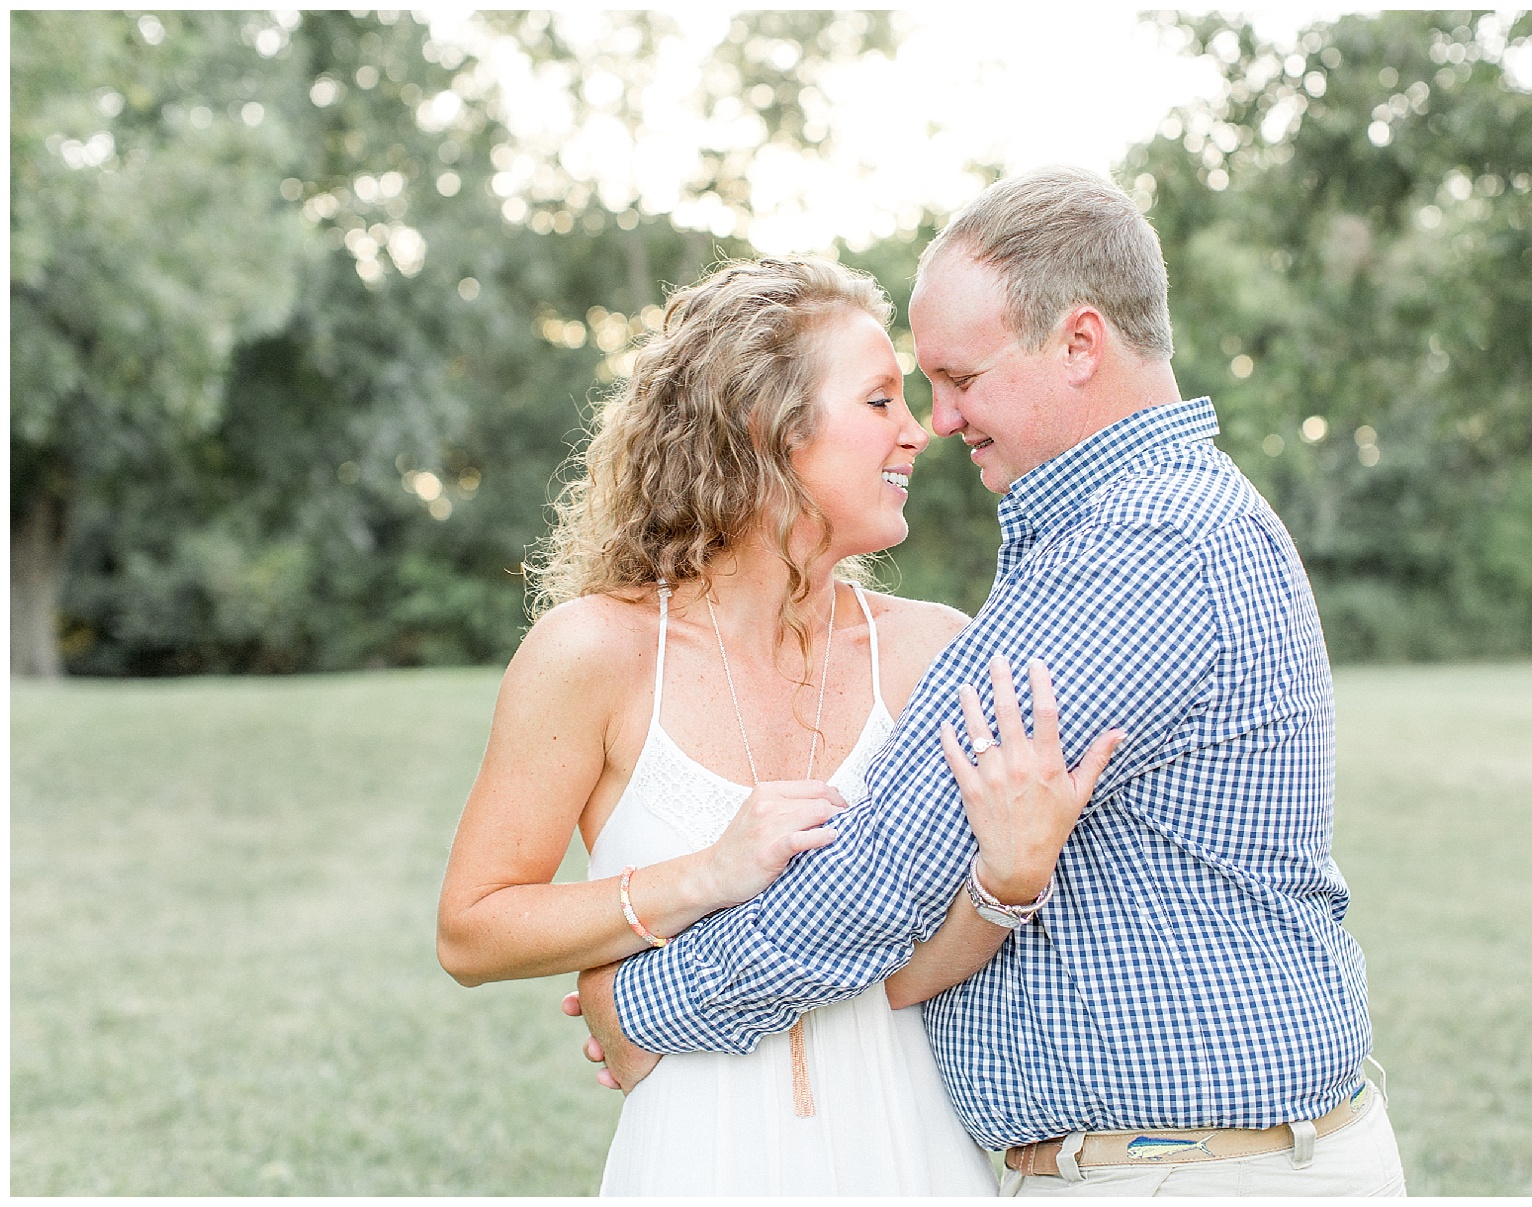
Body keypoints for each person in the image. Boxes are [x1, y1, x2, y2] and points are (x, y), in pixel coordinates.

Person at [576, 166, 1408, 1197]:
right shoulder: (1135, 526)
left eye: (959, 377)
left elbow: (888, 868)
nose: (940, 419)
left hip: (1195, 1173)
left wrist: (646, 1003)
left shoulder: (1142, 546)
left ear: (1080, 343)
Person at [436, 255, 1122, 1195]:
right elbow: (472, 931)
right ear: (767, 425)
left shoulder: (934, 652)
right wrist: (702, 877)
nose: (919, 431)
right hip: (697, 1160)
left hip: (914, 1157)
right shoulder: (594, 651)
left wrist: (1008, 881)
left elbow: (922, 965)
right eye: (879, 400)